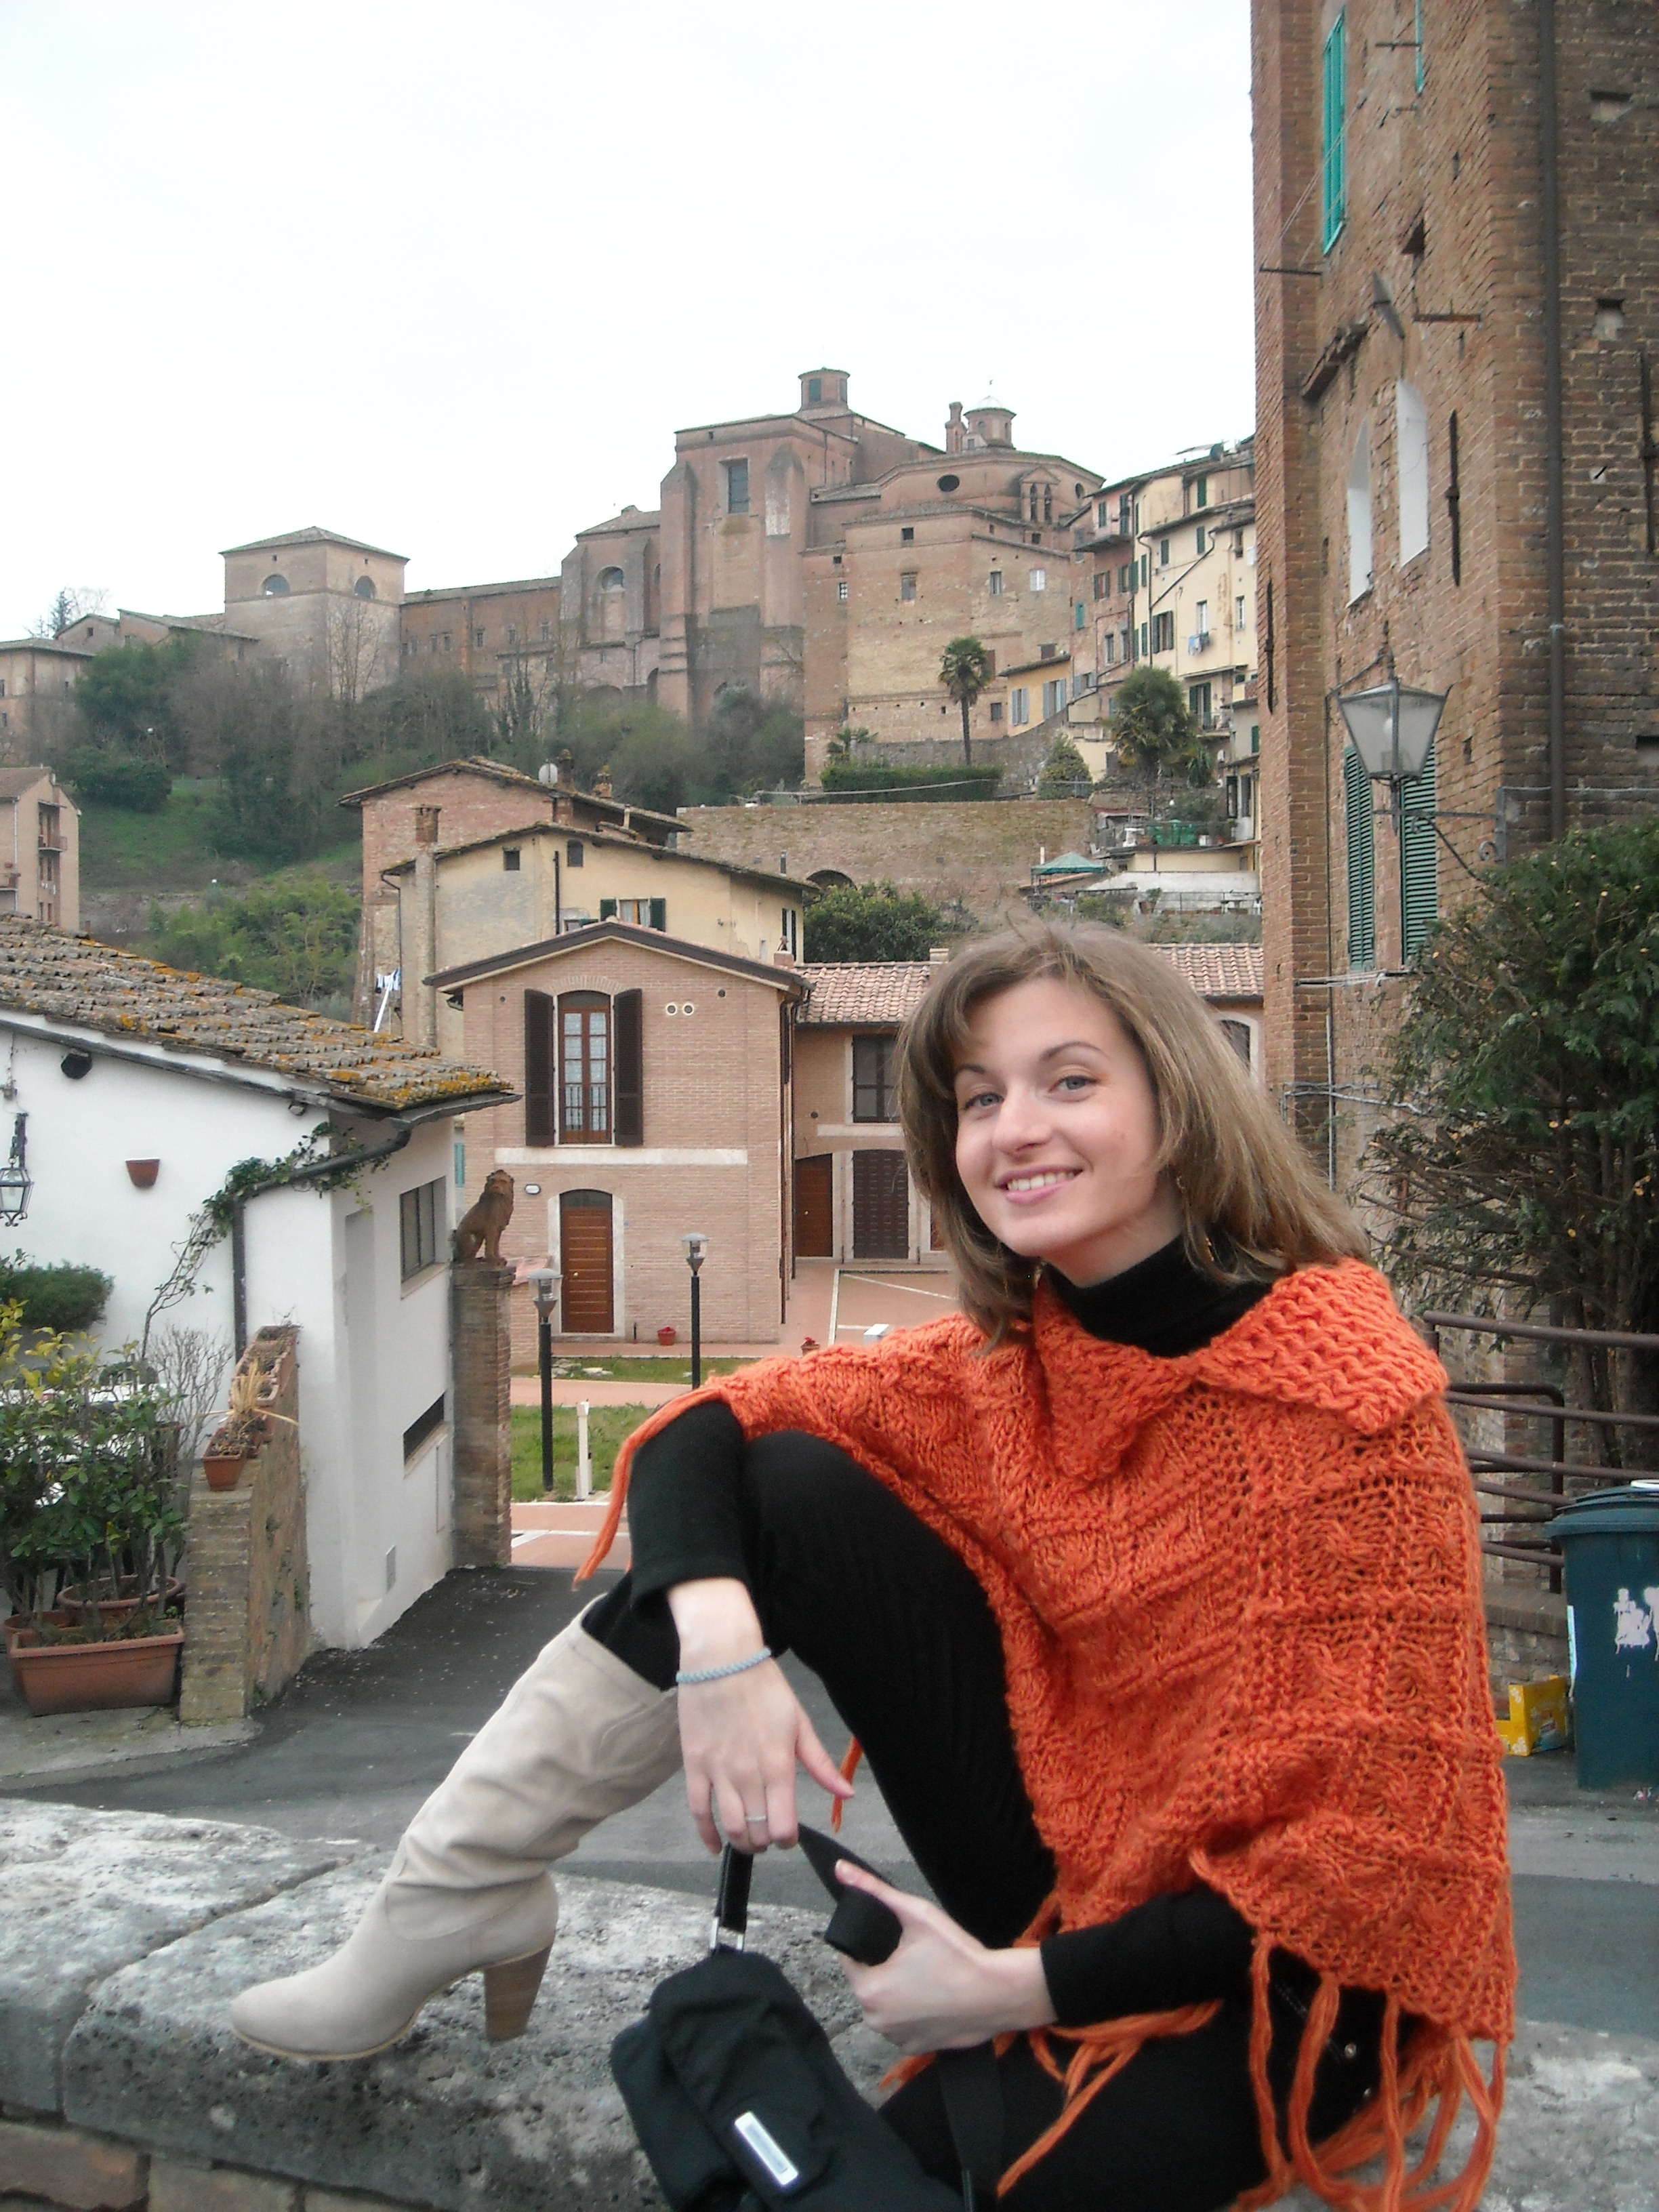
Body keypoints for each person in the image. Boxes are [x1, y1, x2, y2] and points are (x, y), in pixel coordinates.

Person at [231, 923, 1513, 2212]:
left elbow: (1361, 1877)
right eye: (979, 1099)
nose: (1016, 1129)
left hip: (1283, 1978)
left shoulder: (1346, 1408)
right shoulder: (1013, 1367)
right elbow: (701, 1429)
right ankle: (452, 1896)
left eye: (1070, 1082)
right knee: (789, 1482)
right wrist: (723, 1653)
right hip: (1075, 1877)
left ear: (1177, 1105)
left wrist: (1011, 1991)